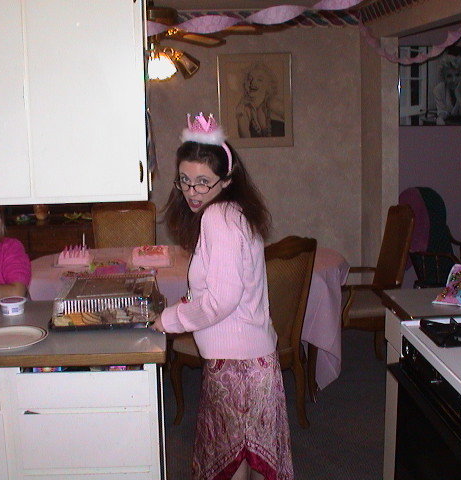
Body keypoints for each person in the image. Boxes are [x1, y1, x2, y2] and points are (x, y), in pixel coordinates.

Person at [152, 113, 294, 480]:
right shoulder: (234, 213)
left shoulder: (219, 218)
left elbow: (221, 300)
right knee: (245, 460)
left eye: (203, 182)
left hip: (238, 366)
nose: (192, 191)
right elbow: (217, 291)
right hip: (249, 359)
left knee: (231, 464)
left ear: (227, 180)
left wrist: (169, 320)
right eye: (185, 180)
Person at [235, 62, 285, 138]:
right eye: (250, 79)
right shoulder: (244, 110)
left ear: (268, 85)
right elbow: (245, 142)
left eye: (259, 80)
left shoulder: (273, 105)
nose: (252, 82)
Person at [433, 53, 461, 125]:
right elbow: (443, 110)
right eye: (449, 76)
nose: (454, 80)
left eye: (457, 75)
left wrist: (458, 95)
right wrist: (440, 118)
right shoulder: (438, 90)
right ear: (444, 78)